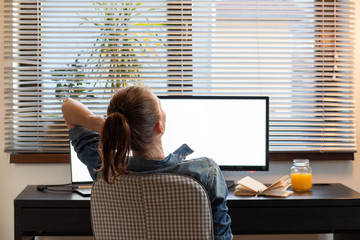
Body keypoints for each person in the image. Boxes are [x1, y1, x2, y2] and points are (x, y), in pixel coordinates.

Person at [62, 85, 233, 240]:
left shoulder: (105, 171)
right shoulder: (204, 173)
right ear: (159, 126)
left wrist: (100, 124)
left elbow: (68, 107)